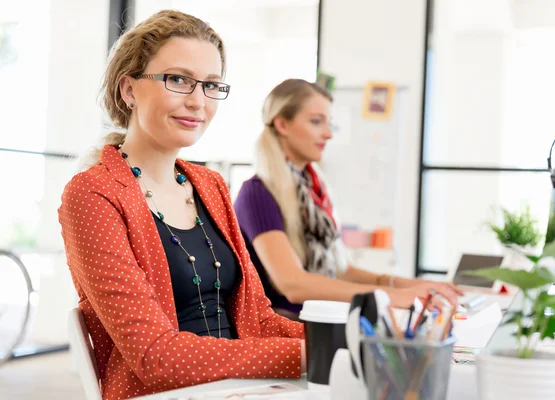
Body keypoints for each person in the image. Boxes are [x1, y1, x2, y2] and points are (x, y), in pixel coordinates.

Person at [58, 11, 304, 400]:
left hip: (243, 388)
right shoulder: (93, 194)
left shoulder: (210, 185)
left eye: (210, 85)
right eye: (178, 80)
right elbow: (155, 357)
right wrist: (308, 355)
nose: (197, 102)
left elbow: (258, 318)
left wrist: (345, 339)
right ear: (129, 90)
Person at [233, 79, 463, 320]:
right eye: (316, 121)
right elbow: (293, 285)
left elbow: (342, 271)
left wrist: (407, 284)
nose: (329, 134)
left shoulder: (314, 192)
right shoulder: (257, 193)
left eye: (329, 123)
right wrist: (391, 296)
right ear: (282, 124)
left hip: (320, 321)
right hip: (285, 332)